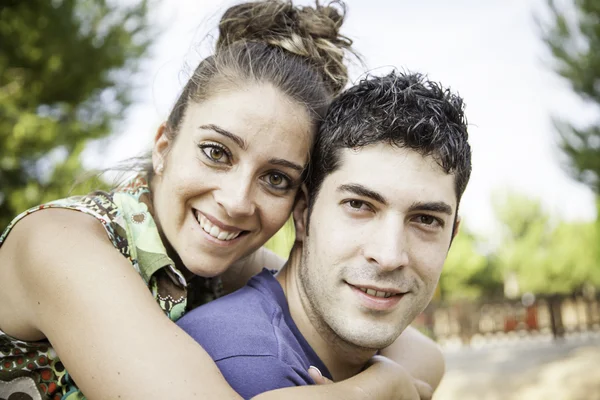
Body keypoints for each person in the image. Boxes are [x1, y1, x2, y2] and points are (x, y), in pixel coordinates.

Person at [0, 1, 442, 400]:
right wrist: (377, 388)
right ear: (164, 145)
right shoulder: (60, 243)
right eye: (216, 153)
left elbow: (424, 353)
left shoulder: (230, 263)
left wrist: (389, 376)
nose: (235, 201)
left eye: (275, 178)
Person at [177, 70, 471, 399]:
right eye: (359, 205)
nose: (389, 255)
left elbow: (428, 357)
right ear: (303, 213)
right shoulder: (249, 370)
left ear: (451, 237)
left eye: (426, 220)